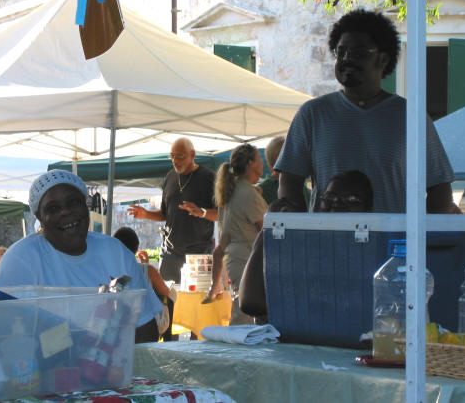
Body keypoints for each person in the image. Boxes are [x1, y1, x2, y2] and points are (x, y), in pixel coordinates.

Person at [274, 9, 455, 214]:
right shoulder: (313, 114)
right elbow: (289, 182)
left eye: (359, 53)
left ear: (383, 59)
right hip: (329, 243)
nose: (346, 59)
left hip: (392, 244)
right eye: (341, 52)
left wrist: (426, 241)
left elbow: (439, 188)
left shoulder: (410, 117)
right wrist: (303, 230)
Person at [0, 170, 164, 343]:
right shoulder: (20, 260)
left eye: (73, 203)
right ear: (39, 217)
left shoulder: (116, 253)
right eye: (52, 208)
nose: (65, 212)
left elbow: (145, 327)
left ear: (86, 205)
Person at [239, 170, 374, 320]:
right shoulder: (301, 248)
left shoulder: (376, 255)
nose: (337, 204)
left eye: (351, 199)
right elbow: (251, 302)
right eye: (329, 198)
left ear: (369, 209)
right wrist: (268, 227)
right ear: (317, 206)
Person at [127, 137, 218, 340]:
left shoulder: (208, 178)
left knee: (197, 307)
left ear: (192, 155)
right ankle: (168, 348)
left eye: (180, 156)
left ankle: (198, 353)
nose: (175, 161)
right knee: (168, 303)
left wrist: (201, 212)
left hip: (198, 254)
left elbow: (222, 213)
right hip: (170, 253)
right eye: (172, 157)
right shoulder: (169, 177)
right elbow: (166, 214)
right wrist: (146, 215)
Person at [204, 143, 268, 325]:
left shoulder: (230, 193)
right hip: (248, 260)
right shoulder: (248, 194)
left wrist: (214, 285)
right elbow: (266, 232)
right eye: (258, 159)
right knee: (244, 316)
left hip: (236, 261)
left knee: (242, 315)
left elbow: (220, 247)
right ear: (250, 163)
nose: (262, 163)